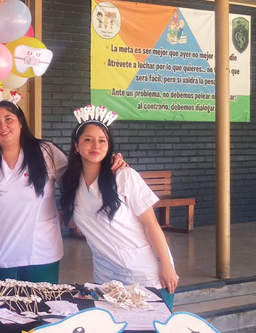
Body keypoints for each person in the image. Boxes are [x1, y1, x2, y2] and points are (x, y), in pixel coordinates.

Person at [0, 96, 127, 284]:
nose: (3, 126)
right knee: (1, 309)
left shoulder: (45, 151)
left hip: (41, 250)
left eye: (9, 119)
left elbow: (78, 176)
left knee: (42, 308)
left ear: (20, 122)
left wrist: (108, 161)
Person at [59, 109, 178, 308]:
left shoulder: (124, 176)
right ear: (76, 146)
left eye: (102, 140)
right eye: (88, 140)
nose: (96, 145)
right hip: (106, 277)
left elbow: (151, 224)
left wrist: (165, 264)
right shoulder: (71, 184)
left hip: (145, 273)